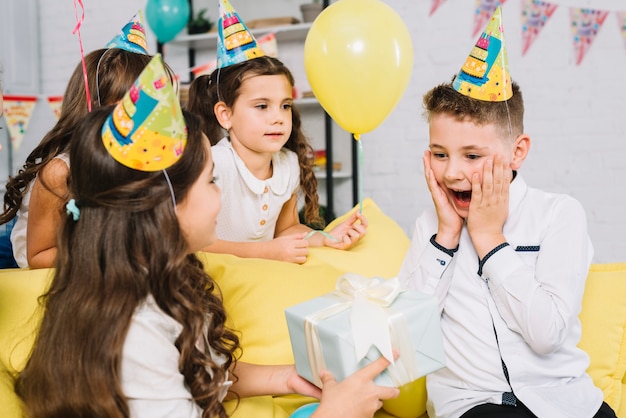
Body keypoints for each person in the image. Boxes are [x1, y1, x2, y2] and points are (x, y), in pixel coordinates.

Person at [15, 55, 399, 418]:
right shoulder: (134, 332)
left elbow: (199, 371)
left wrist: (288, 377)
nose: (221, 194)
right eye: (212, 180)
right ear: (170, 205)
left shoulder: (155, 283)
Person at [398, 8, 615, 418]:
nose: (452, 172)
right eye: (440, 154)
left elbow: (547, 334)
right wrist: (447, 235)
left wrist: (490, 239)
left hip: (566, 402)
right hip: (474, 405)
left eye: (472, 155)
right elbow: (406, 338)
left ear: (518, 152)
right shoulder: (430, 228)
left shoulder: (559, 214)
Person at [186, 0, 367, 264]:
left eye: (285, 106)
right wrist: (264, 252)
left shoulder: (288, 164)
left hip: (263, 277)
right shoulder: (213, 165)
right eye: (262, 106)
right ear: (225, 115)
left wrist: (324, 237)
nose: (278, 118)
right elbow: (190, 242)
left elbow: (287, 230)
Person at [0, 48, 154, 268]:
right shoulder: (61, 172)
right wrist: (111, 255)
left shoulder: (146, 163)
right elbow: (38, 257)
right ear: (95, 110)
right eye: (137, 109)